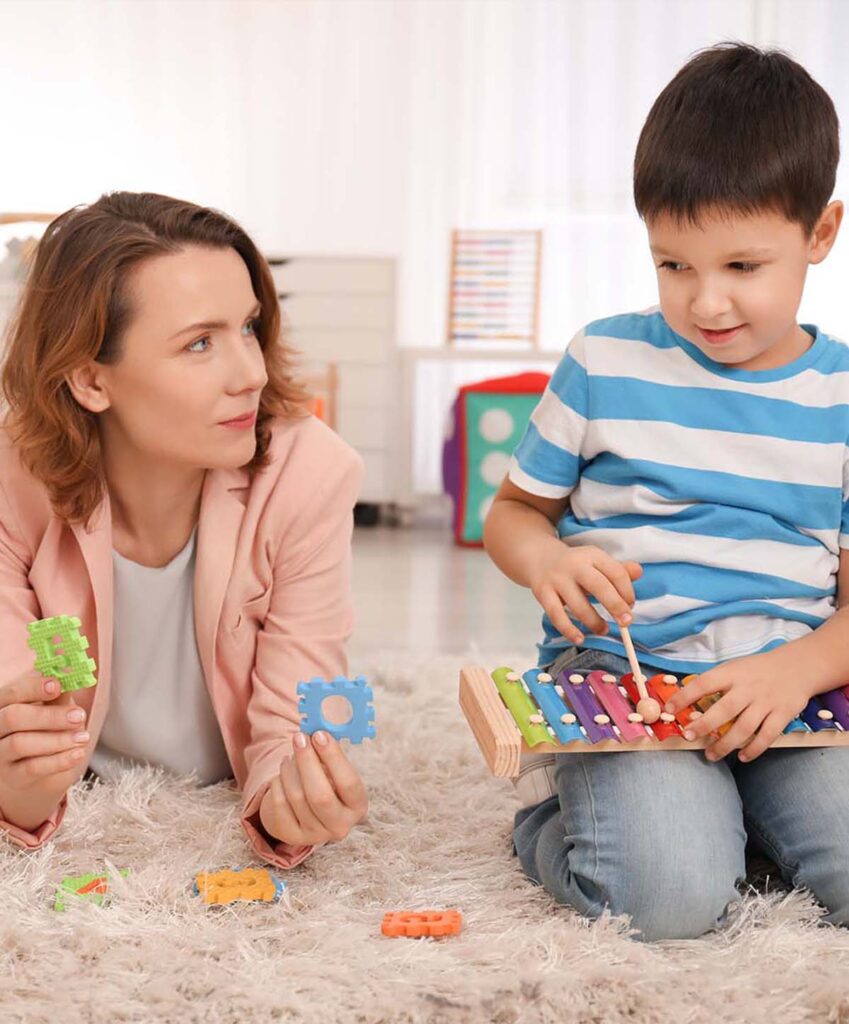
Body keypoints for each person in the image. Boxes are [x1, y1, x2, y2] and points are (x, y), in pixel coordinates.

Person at [484, 43, 849, 940]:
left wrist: (797, 669)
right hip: (625, 674)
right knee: (666, 900)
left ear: (820, 233)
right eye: (672, 265)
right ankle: (554, 816)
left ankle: (721, 817)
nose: (705, 302)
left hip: (785, 688)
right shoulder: (602, 360)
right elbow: (514, 513)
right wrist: (546, 559)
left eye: (741, 267)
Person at [0, 192, 367, 870]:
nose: (251, 374)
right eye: (200, 343)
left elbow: (297, 711)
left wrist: (290, 804)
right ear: (89, 378)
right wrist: (20, 788)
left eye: (249, 328)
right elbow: (13, 713)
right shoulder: (11, 487)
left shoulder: (309, 473)